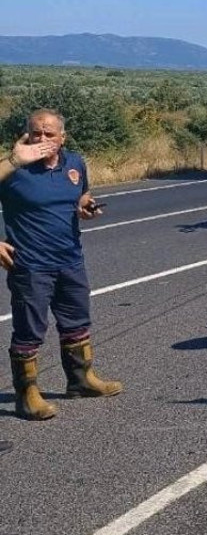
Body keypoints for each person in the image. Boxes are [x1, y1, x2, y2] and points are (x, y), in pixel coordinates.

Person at [2, 109, 121, 421]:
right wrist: (15, 159)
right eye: (36, 133)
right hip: (30, 264)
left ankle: (81, 380)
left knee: (77, 322)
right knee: (29, 331)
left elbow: (81, 195)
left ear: (62, 138)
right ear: (26, 135)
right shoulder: (12, 168)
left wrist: (86, 207)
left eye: (49, 133)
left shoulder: (74, 163)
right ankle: (27, 396)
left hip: (70, 259)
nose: (42, 138)